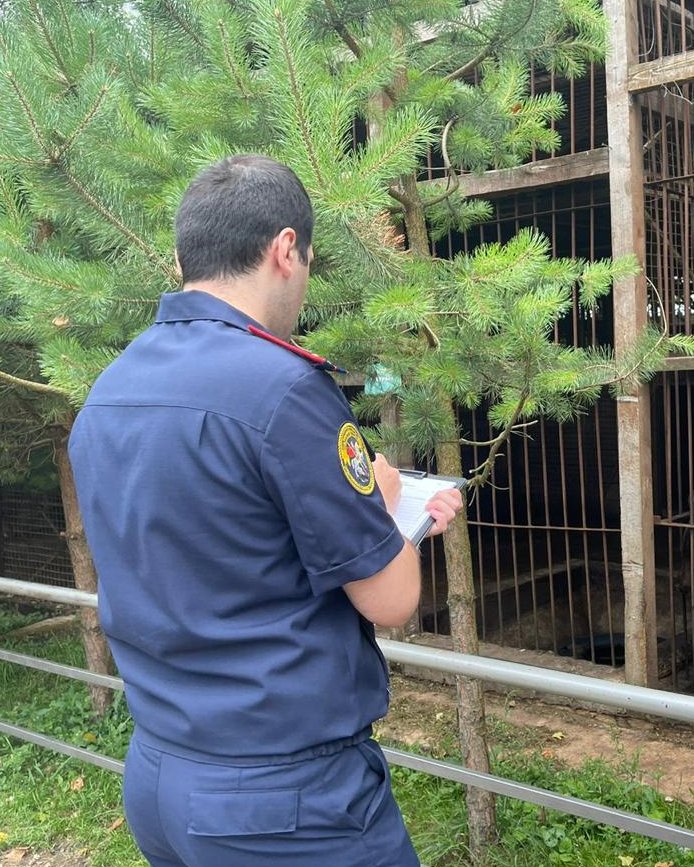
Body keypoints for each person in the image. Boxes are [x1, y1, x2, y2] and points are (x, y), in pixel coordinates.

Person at [68, 154, 462, 867]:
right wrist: (389, 503)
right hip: (284, 806)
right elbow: (392, 599)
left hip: (160, 775)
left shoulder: (110, 389)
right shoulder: (283, 390)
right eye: (308, 261)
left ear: (186, 255)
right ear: (286, 250)